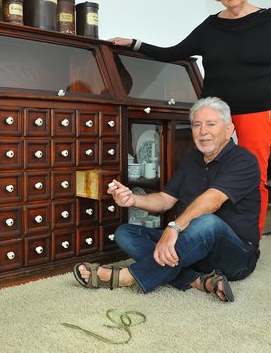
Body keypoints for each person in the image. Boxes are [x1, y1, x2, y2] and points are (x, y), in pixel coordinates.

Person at [109, 0, 271, 237]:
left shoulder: (269, 19)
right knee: (212, 174)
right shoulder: (211, 26)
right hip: (216, 111)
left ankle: (250, 239)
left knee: (255, 176)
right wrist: (135, 43)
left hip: (259, 109)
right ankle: (211, 233)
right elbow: (174, 52)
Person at [73, 97, 261, 302]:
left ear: (228, 128)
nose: (203, 131)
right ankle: (197, 280)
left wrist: (173, 228)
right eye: (197, 125)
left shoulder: (244, 160)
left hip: (236, 255)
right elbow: (165, 199)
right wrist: (133, 200)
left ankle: (126, 277)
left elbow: (212, 201)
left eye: (211, 124)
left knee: (207, 222)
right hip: (190, 247)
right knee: (125, 233)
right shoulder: (191, 160)